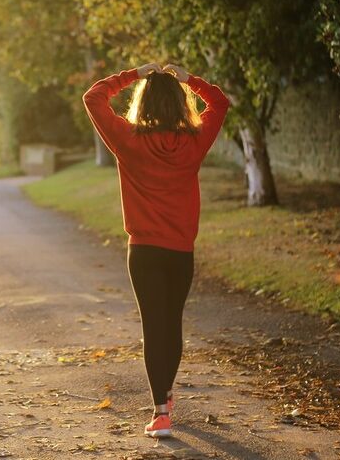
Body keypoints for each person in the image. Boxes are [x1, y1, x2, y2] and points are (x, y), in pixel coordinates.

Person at [82, 62, 230, 439]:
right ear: (180, 104)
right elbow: (220, 102)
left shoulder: (128, 139)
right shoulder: (194, 141)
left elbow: (93, 97)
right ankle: (165, 397)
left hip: (144, 251)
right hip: (180, 251)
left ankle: (161, 411)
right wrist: (189, 80)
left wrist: (133, 74)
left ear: (143, 103)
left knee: (154, 326)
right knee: (172, 323)